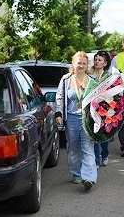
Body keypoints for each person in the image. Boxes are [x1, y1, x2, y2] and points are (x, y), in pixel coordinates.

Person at [55, 51, 97, 191]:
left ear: (87, 65)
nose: (81, 65)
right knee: (73, 147)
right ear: (73, 63)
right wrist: (59, 113)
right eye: (79, 63)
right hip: (71, 119)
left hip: (87, 119)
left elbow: (98, 100)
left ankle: (89, 178)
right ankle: (76, 173)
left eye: (84, 63)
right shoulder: (66, 79)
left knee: (87, 147)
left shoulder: (92, 80)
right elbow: (60, 97)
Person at [91, 50, 112, 169]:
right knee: (93, 134)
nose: (97, 62)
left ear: (105, 63)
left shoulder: (108, 77)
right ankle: (95, 159)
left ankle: (104, 154)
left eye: (99, 60)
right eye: (95, 60)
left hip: (104, 109)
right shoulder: (90, 75)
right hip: (92, 109)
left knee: (103, 134)